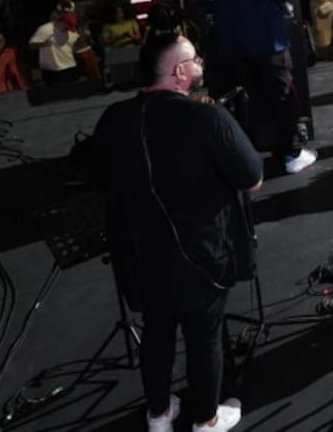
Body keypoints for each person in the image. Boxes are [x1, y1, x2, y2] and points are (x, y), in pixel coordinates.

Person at [91, 32, 258, 432]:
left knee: (157, 331)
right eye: (195, 59)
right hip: (200, 256)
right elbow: (252, 178)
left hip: (142, 257)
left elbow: (95, 173)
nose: (201, 63)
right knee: (205, 336)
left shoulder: (114, 119)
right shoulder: (207, 117)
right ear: (181, 72)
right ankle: (207, 419)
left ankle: (159, 415)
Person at [200, 0, 315, 174]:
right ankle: (291, 154)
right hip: (267, 44)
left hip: (230, 45)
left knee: (246, 100)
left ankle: (244, 154)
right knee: (283, 96)